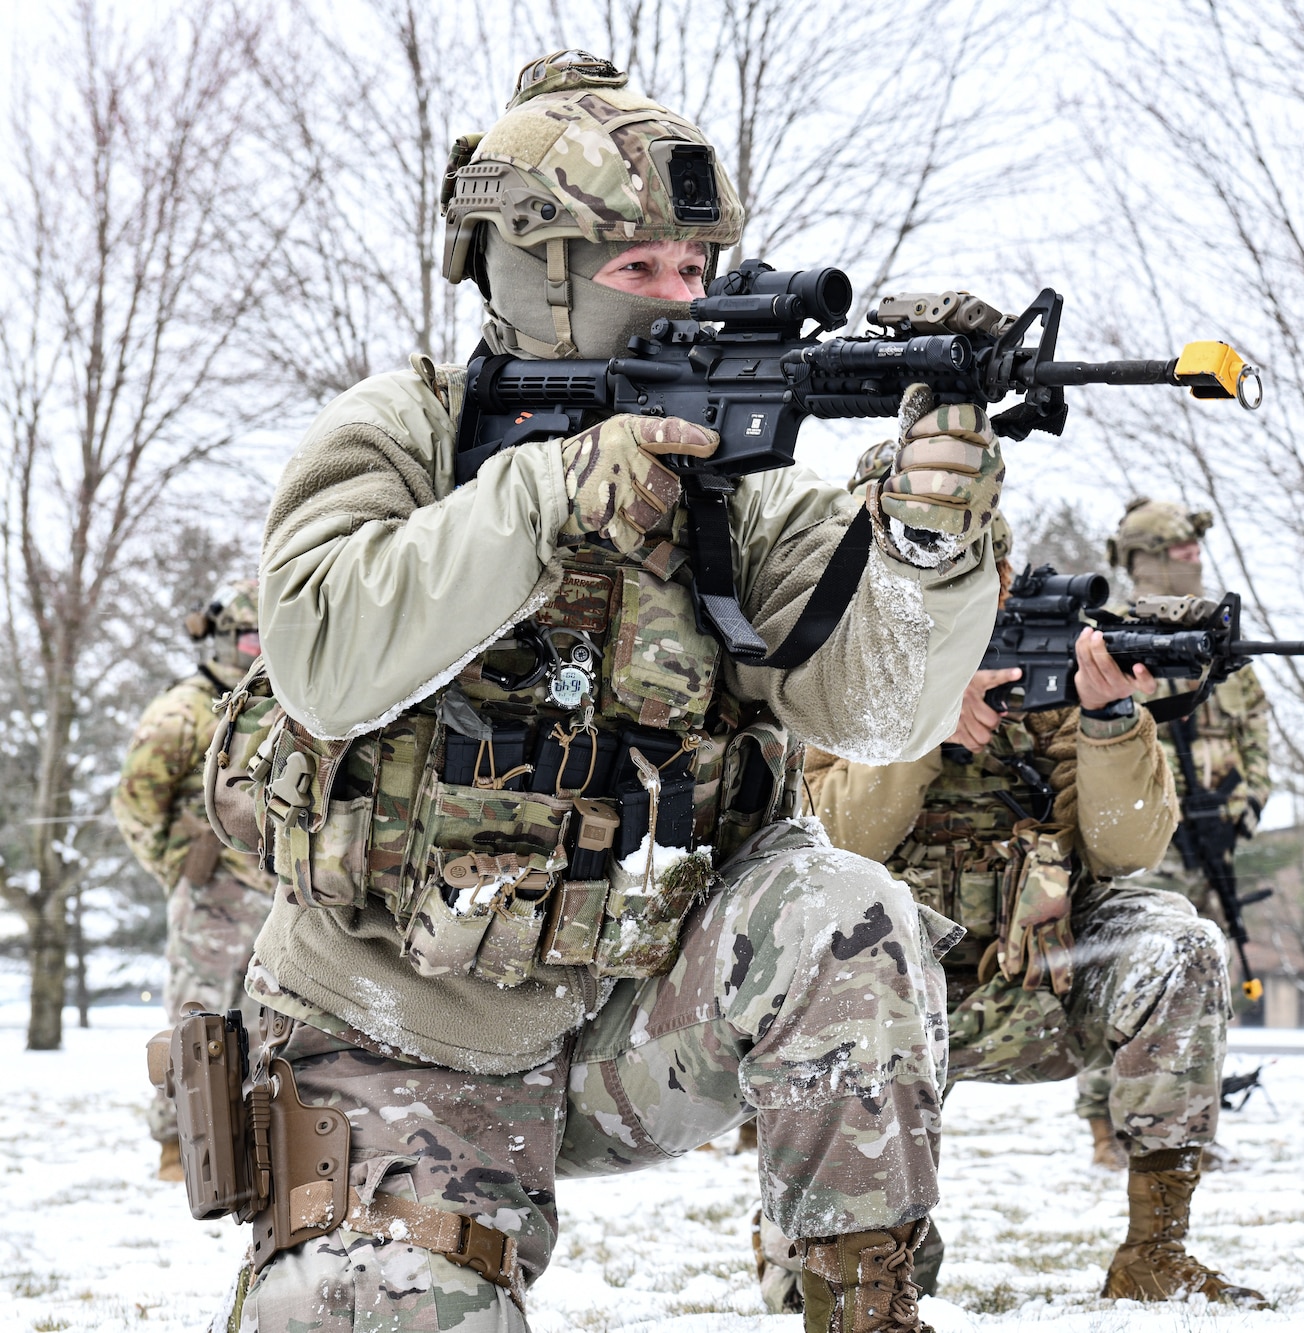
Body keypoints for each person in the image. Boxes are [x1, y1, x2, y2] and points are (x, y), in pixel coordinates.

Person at [207, 50, 1005, 1333]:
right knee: (378, 1310)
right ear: (539, 274)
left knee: (844, 913)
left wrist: (928, 530)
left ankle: (867, 1308)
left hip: (642, 1015)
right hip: (398, 1024)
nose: (679, 301)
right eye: (642, 270)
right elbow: (321, 653)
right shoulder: (402, 431)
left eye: (695, 272)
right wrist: (550, 491)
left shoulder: (734, 490)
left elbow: (884, 710)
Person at [754, 500, 1262, 1307]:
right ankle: (871, 1259)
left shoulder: (1047, 653)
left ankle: (1155, 1251)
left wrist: (1109, 720)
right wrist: (923, 727)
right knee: (817, 1294)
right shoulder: (833, 659)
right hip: (881, 996)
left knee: (1180, 945)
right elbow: (838, 839)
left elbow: (1127, 849)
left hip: (1041, 975)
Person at [1074, 496, 1270, 1165]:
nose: (1195, 562)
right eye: (1183, 552)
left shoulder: (1219, 644)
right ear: (1148, 559)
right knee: (1121, 977)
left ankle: (1182, 1129)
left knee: (1196, 975)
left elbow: (1256, 737)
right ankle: (1107, 1126)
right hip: (1143, 833)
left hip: (1212, 839)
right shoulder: (1109, 637)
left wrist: (1246, 807)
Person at [115, 579, 274, 1182]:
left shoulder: (290, 700)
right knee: (195, 1019)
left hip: (279, 892)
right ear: (226, 638)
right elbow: (135, 803)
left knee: (270, 1025)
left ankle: (255, 1147)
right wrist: (181, 869)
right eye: (251, 638)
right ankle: (179, 1149)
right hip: (214, 896)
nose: (261, 651)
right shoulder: (184, 709)